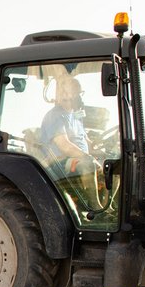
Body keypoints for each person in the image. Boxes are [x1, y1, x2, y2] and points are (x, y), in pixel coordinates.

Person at [40, 77, 102, 210]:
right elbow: (65, 146)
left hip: (77, 156)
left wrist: (100, 148)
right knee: (88, 163)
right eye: (75, 93)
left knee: (113, 165)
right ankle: (95, 208)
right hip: (60, 162)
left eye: (79, 93)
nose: (78, 96)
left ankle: (110, 207)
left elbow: (84, 140)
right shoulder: (55, 116)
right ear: (64, 94)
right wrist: (88, 157)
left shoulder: (75, 115)